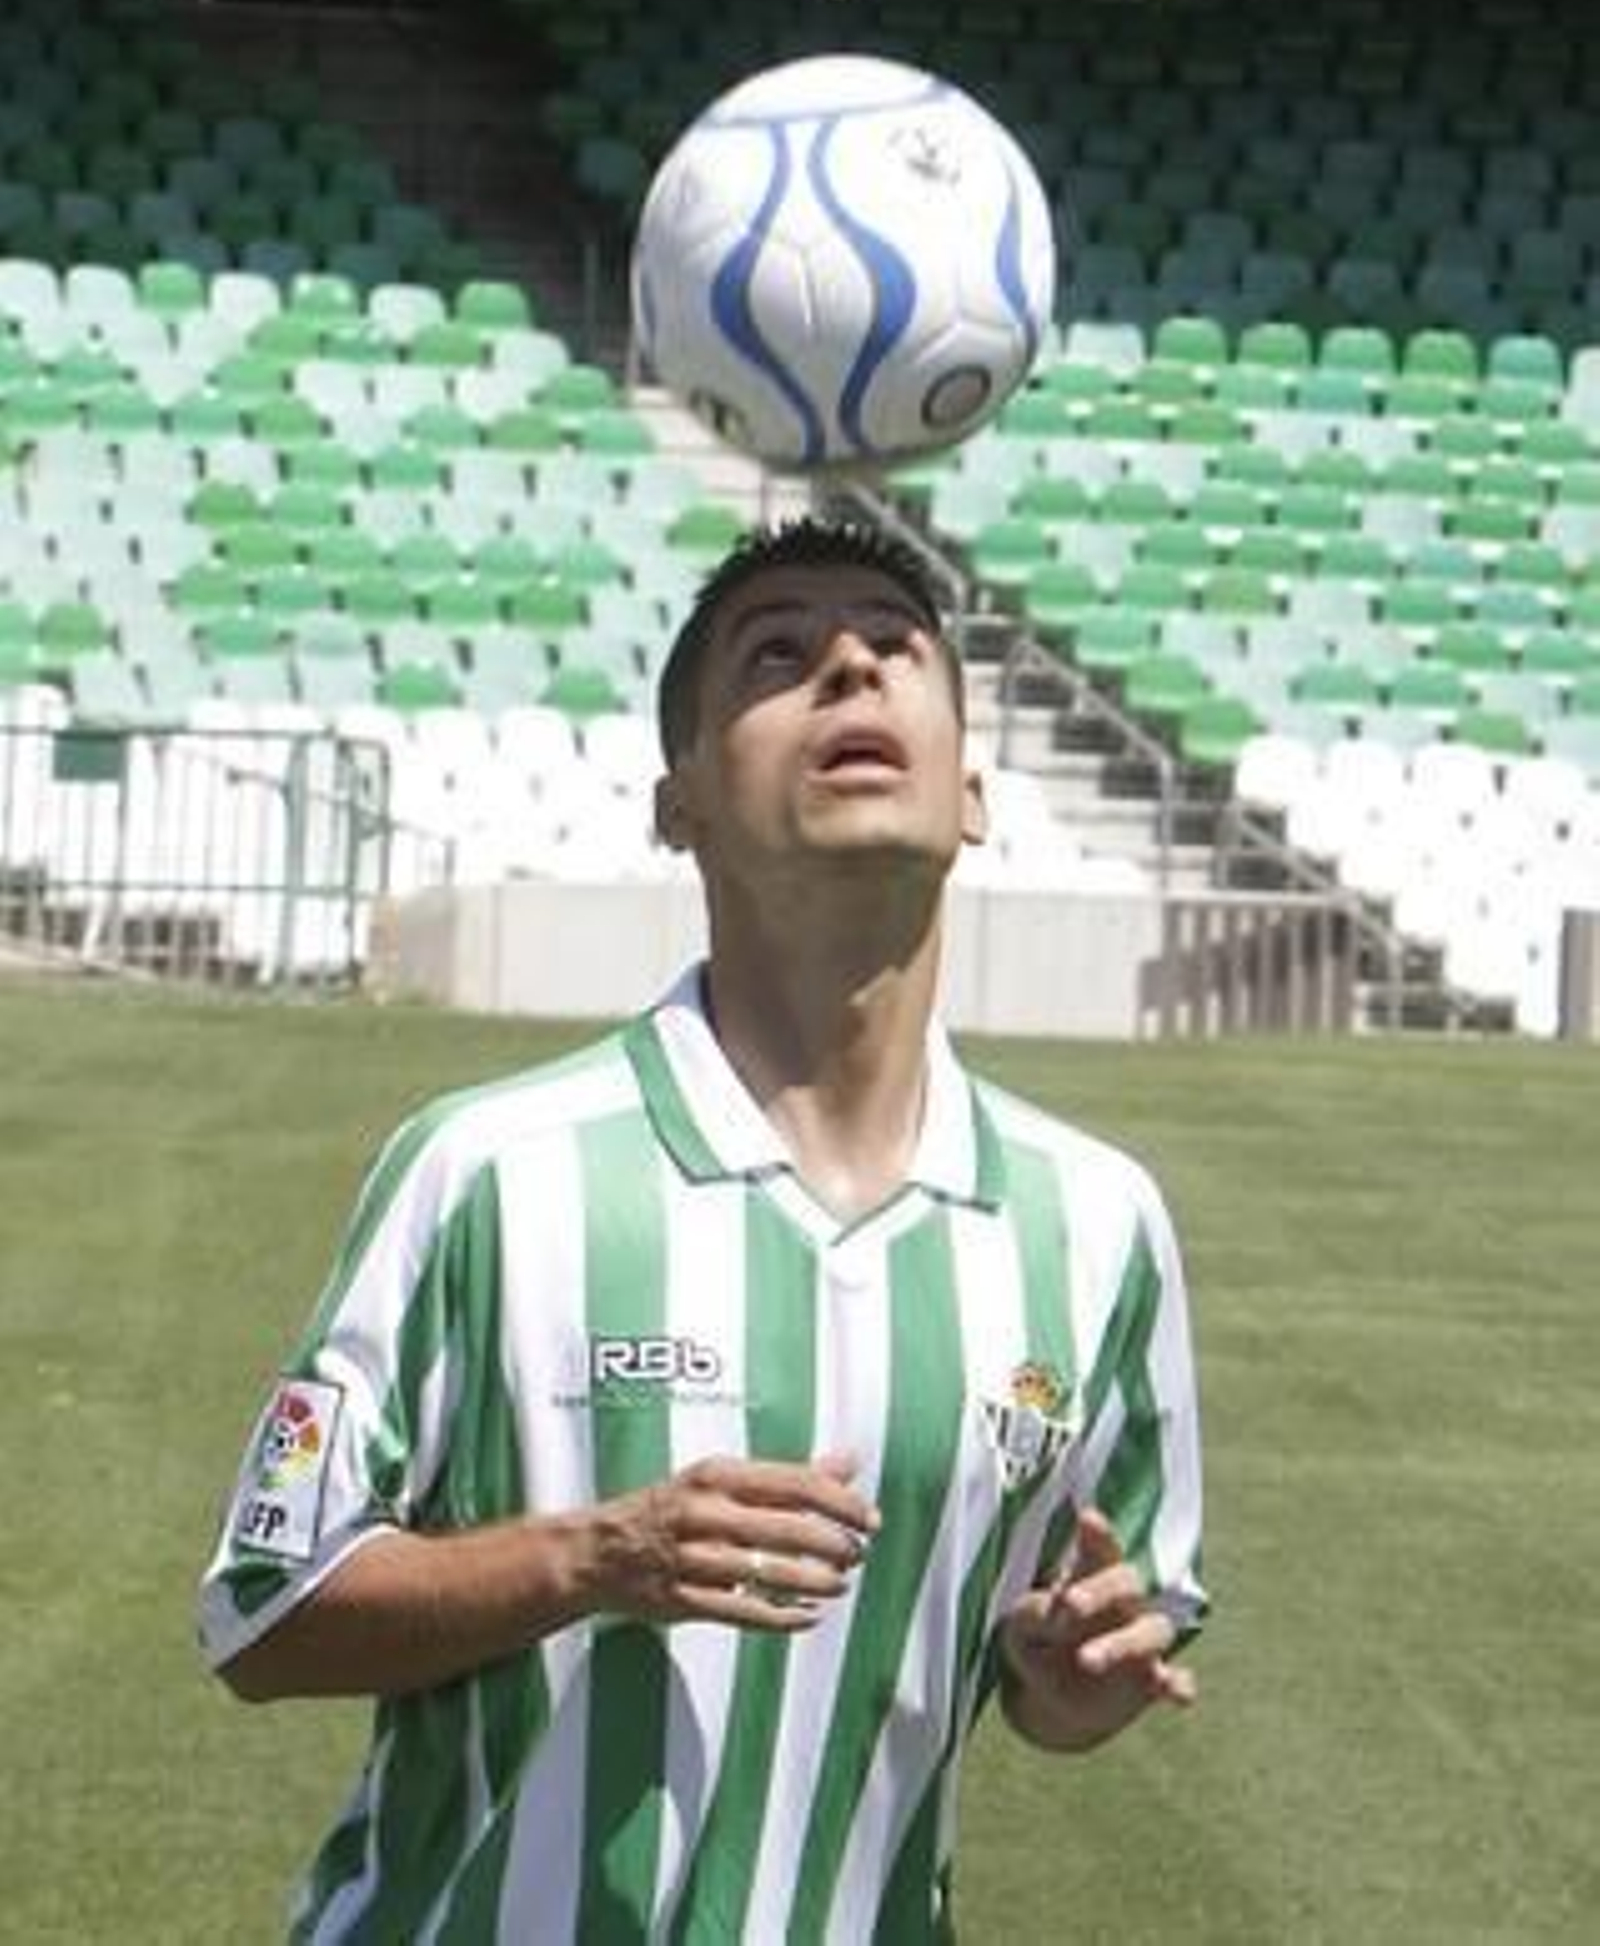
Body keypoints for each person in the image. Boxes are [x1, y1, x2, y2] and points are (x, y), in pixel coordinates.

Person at [198, 513, 1208, 1942]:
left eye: (895, 647)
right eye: (780, 654)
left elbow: (1076, 1659)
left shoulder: (1097, 1224)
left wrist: (1072, 1683)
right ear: (680, 803)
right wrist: (593, 1557)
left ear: (973, 791)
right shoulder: (490, 1168)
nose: (851, 666)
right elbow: (260, 1608)